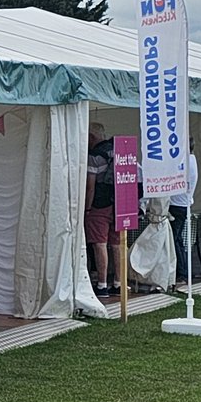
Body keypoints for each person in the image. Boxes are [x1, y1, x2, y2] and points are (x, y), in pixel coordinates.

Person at [85, 123, 117, 297]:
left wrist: (88, 208)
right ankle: (119, 283)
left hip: (100, 204)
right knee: (118, 243)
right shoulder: (117, 150)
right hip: (120, 203)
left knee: (99, 244)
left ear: (91, 137)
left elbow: (90, 186)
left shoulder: (94, 156)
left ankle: (102, 285)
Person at [169, 141, 199, 284]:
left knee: (174, 239)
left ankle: (181, 272)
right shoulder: (191, 160)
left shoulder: (185, 161)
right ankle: (183, 271)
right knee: (178, 239)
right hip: (182, 204)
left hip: (177, 205)